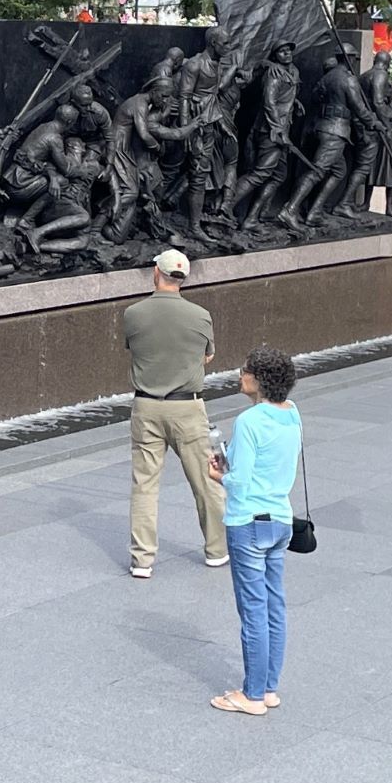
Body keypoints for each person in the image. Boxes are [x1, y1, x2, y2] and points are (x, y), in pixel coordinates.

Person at [120, 250, 224, 579]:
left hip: (146, 406)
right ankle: (217, 550)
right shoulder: (201, 315)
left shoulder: (133, 314)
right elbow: (207, 356)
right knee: (206, 480)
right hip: (188, 407)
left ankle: (142, 560)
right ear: (183, 278)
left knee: (145, 485)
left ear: (156, 273)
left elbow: (135, 349)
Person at [210, 346, 302, 715]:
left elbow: (241, 481)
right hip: (280, 520)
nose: (239, 375)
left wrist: (219, 475)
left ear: (259, 379)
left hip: (248, 522)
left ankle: (251, 696)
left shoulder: (249, 421)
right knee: (274, 606)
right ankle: (268, 689)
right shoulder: (292, 412)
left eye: (244, 370)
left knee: (253, 610)